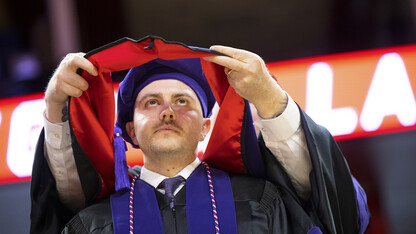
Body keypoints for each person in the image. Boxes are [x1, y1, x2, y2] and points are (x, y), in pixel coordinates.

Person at [30, 36, 369, 234]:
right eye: (151, 102)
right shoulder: (92, 223)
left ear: (206, 127)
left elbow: (345, 216)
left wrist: (272, 101)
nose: (167, 111)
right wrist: (56, 105)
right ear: (130, 130)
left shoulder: (263, 200)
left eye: (182, 101)